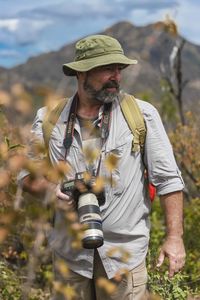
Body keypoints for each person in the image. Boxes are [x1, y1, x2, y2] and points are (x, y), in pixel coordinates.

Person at [18, 35, 186, 300]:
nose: (116, 77)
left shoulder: (141, 115)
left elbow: (168, 180)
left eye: (119, 69)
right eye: (107, 69)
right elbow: (26, 176)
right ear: (81, 72)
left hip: (124, 257)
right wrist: (51, 190)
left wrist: (174, 238)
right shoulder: (49, 119)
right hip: (69, 258)